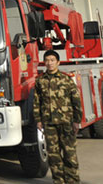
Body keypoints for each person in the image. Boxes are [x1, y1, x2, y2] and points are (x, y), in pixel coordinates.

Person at [34, 50, 82, 184]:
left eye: (52, 60)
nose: (49, 63)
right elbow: (37, 102)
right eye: (47, 60)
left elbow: (76, 100)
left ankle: (73, 181)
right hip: (49, 124)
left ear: (58, 62)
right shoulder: (40, 81)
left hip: (66, 123)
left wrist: (77, 121)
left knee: (70, 155)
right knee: (53, 157)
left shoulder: (66, 80)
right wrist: (38, 120)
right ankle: (58, 181)